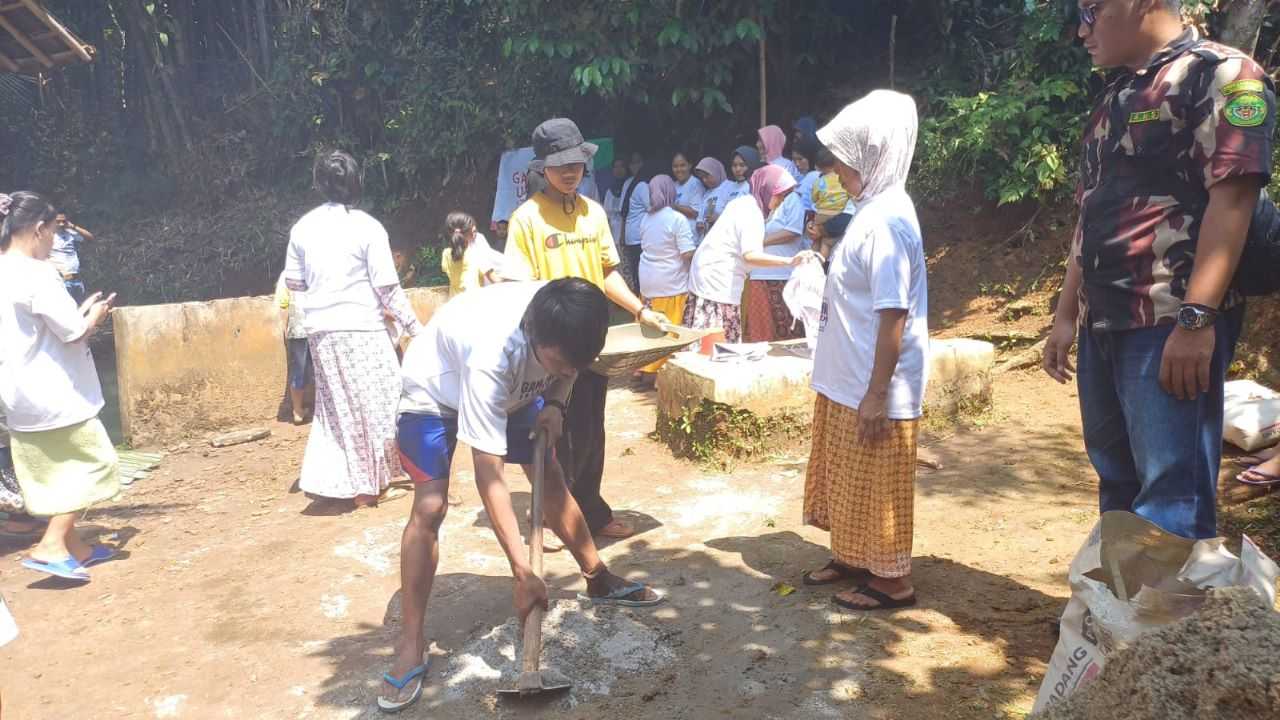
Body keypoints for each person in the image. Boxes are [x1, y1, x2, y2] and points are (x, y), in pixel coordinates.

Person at [1042, 0, 1275, 540]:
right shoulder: (1114, 96)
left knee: (1173, 492)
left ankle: (1173, 621)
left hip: (1168, 321)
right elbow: (1090, 214)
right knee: (1116, 481)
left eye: (1089, 12)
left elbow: (1234, 201)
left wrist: (1197, 322)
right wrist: (1064, 314)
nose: (1081, 32)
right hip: (1105, 319)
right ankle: (1128, 612)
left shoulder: (1222, 74)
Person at [378, 279, 663, 712]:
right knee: (431, 505)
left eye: (576, 364)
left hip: (516, 386)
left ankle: (598, 576)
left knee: (548, 470)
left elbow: (572, 365)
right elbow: (489, 475)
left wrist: (556, 403)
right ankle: (411, 639)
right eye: (561, 364)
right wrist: (521, 570)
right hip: (436, 390)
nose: (569, 372)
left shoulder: (571, 316)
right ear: (533, 333)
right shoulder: (491, 356)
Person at [505, 117, 668, 540]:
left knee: (592, 429)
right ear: (543, 168)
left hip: (593, 342)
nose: (569, 171)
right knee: (554, 434)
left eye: (576, 162)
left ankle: (591, 512)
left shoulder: (593, 213)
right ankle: (552, 516)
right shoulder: (526, 220)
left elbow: (607, 271)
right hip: (550, 348)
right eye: (560, 165)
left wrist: (640, 310)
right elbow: (518, 288)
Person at [802, 90, 928, 611]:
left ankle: (892, 581)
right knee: (847, 474)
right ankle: (854, 557)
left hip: (872, 384)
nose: (836, 173)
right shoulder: (871, 211)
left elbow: (893, 313)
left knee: (877, 483)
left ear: (875, 159)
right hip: (847, 376)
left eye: (846, 164)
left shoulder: (887, 223)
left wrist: (877, 393)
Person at [285, 151, 423, 508]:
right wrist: (416, 329)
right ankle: (368, 489)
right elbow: (387, 288)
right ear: (356, 182)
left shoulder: (302, 228)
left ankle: (340, 482)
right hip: (362, 328)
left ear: (318, 183)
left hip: (321, 331)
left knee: (338, 409)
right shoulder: (367, 227)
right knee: (383, 401)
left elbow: (295, 283)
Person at [0, 191, 120, 582]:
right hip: (56, 391)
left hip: (18, 392)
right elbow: (71, 331)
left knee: (54, 471)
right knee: (94, 463)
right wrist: (95, 315)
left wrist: (78, 315)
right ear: (38, 230)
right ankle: (52, 545)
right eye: (52, 232)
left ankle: (77, 546)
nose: (54, 241)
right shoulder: (38, 273)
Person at [684, 166, 816, 342]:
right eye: (779, 196)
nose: (780, 202)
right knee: (717, 344)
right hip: (717, 279)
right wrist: (789, 261)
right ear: (766, 190)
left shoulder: (743, 203)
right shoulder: (752, 212)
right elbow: (750, 255)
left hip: (707, 273)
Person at [636, 175, 696, 383]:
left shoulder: (646, 218)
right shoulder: (676, 218)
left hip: (647, 280)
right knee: (669, 326)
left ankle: (644, 367)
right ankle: (661, 371)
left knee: (649, 325)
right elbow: (687, 253)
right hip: (671, 282)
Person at [743, 155, 809, 344]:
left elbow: (793, 232)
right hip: (758, 272)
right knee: (760, 331)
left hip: (782, 273)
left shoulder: (792, 201)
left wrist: (760, 242)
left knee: (786, 329)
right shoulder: (757, 203)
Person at [439, 211, 506, 298]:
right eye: (474, 231)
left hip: (454, 303)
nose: (476, 234)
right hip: (474, 304)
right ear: (469, 233)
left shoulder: (446, 254)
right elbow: (496, 280)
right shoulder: (477, 253)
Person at [275, 272, 313, 425]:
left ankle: (297, 411)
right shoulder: (318, 265)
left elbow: (283, 303)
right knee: (324, 369)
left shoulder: (287, 274)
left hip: (297, 327)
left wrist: (285, 328)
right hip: (321, 326)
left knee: (299, 368)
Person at [620, 162, 659, 296]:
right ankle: (640, 300)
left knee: (637, 270)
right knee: (640, 271)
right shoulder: (642, 185)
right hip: (637, 235)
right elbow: (650, 208)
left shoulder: (636, 184)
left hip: (633, 234)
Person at [703, 146, 760, 232]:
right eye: (734, 165)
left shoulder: (755, 186)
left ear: (752, 164)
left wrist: (720, 218)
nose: (737, 169)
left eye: (742, 165)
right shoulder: (728, 187)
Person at [48, 212, 97, 304]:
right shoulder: (48, 236)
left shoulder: (70, 233)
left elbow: (90, 238)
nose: (61, 224)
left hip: (76, 279)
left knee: (80, 310)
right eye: (58, 222)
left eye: (64, 221)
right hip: (61, 280)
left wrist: (73, 226)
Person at [671, 151, 706, 240]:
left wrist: (674, 206)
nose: (679, 169)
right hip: (676, 236)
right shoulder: (673, 185)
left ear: (690, 165)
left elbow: (695, 213)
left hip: (691, 237)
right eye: (675, 166)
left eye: (682, 165)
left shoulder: (695, 184)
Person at [692, 156, 727, 241]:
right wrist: (700, 223)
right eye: (702, 178)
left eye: (707, 176)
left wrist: (719, 218)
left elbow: (735, 214)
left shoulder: (729, 188)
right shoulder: (707, 194)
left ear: (715, 171)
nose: (704, 180)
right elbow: (701, 215)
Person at [602, 157, 630, 243]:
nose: (618, 170)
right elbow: (607, 214)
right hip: (613, 232)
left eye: (621, 166)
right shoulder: (610, 190)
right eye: (615, 167)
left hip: (627, 230)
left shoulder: (630, 186)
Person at [792, 139, 822, 215]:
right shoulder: (800, 177)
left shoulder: (814, 175)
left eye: (800, 159)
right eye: (794, 160)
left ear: (811, 157)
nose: (797, 164)